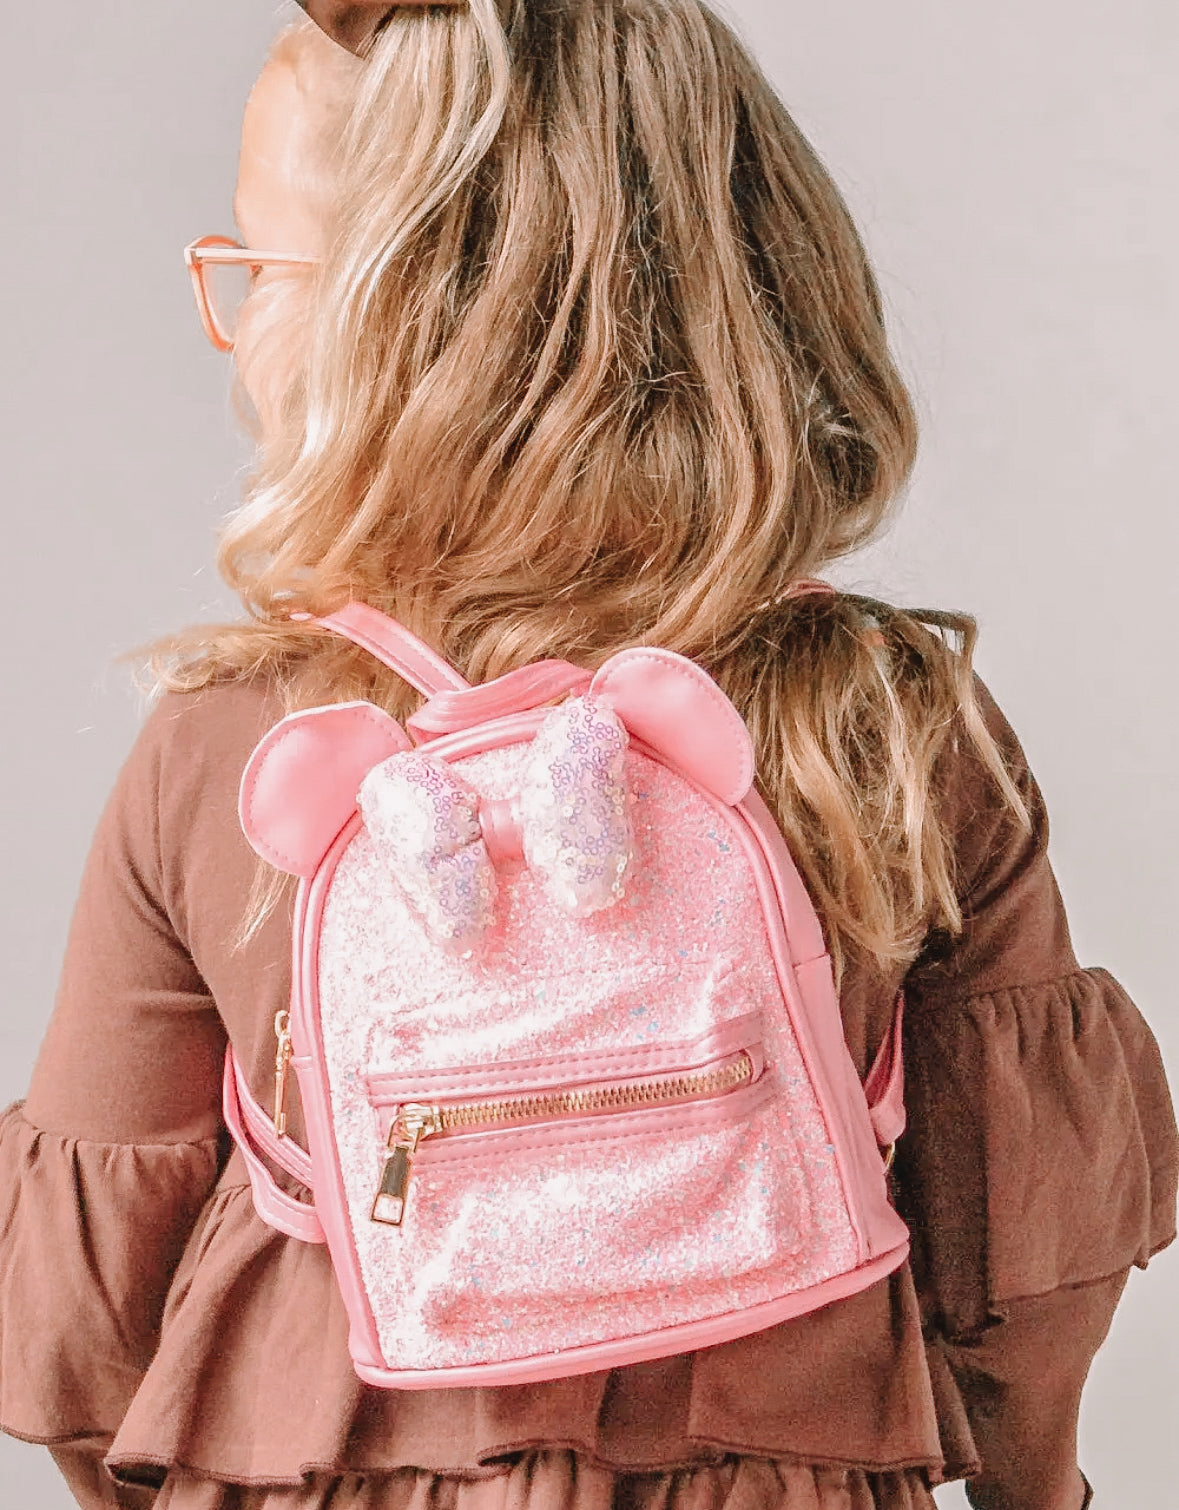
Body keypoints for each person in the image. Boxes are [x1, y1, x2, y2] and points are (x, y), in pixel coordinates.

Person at [1, 3, 1174, 1508]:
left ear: (382, 319)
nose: (235, 326)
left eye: (258, 273)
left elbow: (88, 1331)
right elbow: (1026, 1266)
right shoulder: (880, 718)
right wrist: (1037, 1485)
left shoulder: (236, 748)